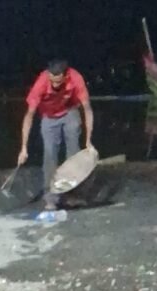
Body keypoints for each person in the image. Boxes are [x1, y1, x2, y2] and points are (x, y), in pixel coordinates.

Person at [17, 59, 94, 210]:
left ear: (66, 76)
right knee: (50, 154)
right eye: (52, 81)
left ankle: (72, 195)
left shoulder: (75, 78)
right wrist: (23, 148)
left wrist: (88, 140)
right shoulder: (42, 82)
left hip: (70, 112)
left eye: (58, 82)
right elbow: (29, 115)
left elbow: (87, 108)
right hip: (49, 117)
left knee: (73, 155)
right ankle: (51, 198)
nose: (55, 85)